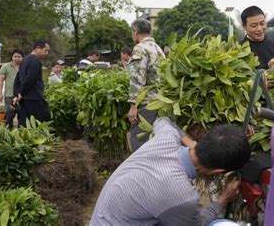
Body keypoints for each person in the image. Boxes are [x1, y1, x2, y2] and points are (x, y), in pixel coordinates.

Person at [90, 117, 251, 225]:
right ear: (218, 171)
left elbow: (163, 120)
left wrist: (190, 142)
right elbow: (197, 224)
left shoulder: (166, 138)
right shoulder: (181, 197)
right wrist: (222, 200)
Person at [127, 19, 165, 152]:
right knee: (153, 140)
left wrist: (133, 105)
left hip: (146, 102)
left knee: (139, 139)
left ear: (135, 32)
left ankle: (140, 171)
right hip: (160, 101)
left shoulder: (140, 48)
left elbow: (137, 78)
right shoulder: (158, 48)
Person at [13, 39, 52, 127]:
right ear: (38, 48)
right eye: (45, 50)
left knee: (25, 123)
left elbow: (17, 79)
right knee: (41, 121)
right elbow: (29, 80)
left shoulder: (24, 59)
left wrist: (16, 94)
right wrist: (21, 93)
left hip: (25, 98)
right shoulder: (35, 61)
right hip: (34, 98)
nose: (47, 53)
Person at [0, 49, 24, 128]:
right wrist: (0, 93)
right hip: (9, 95)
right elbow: (1, 80)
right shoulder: (6, 67)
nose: (17, 58)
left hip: (22, 95)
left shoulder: (24, 67)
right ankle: (8, 131)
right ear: (12, 57)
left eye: (19, 57)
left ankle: (21, 132)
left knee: (22, 115)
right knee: (9, 114)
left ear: (22, 58)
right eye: (15, 56)